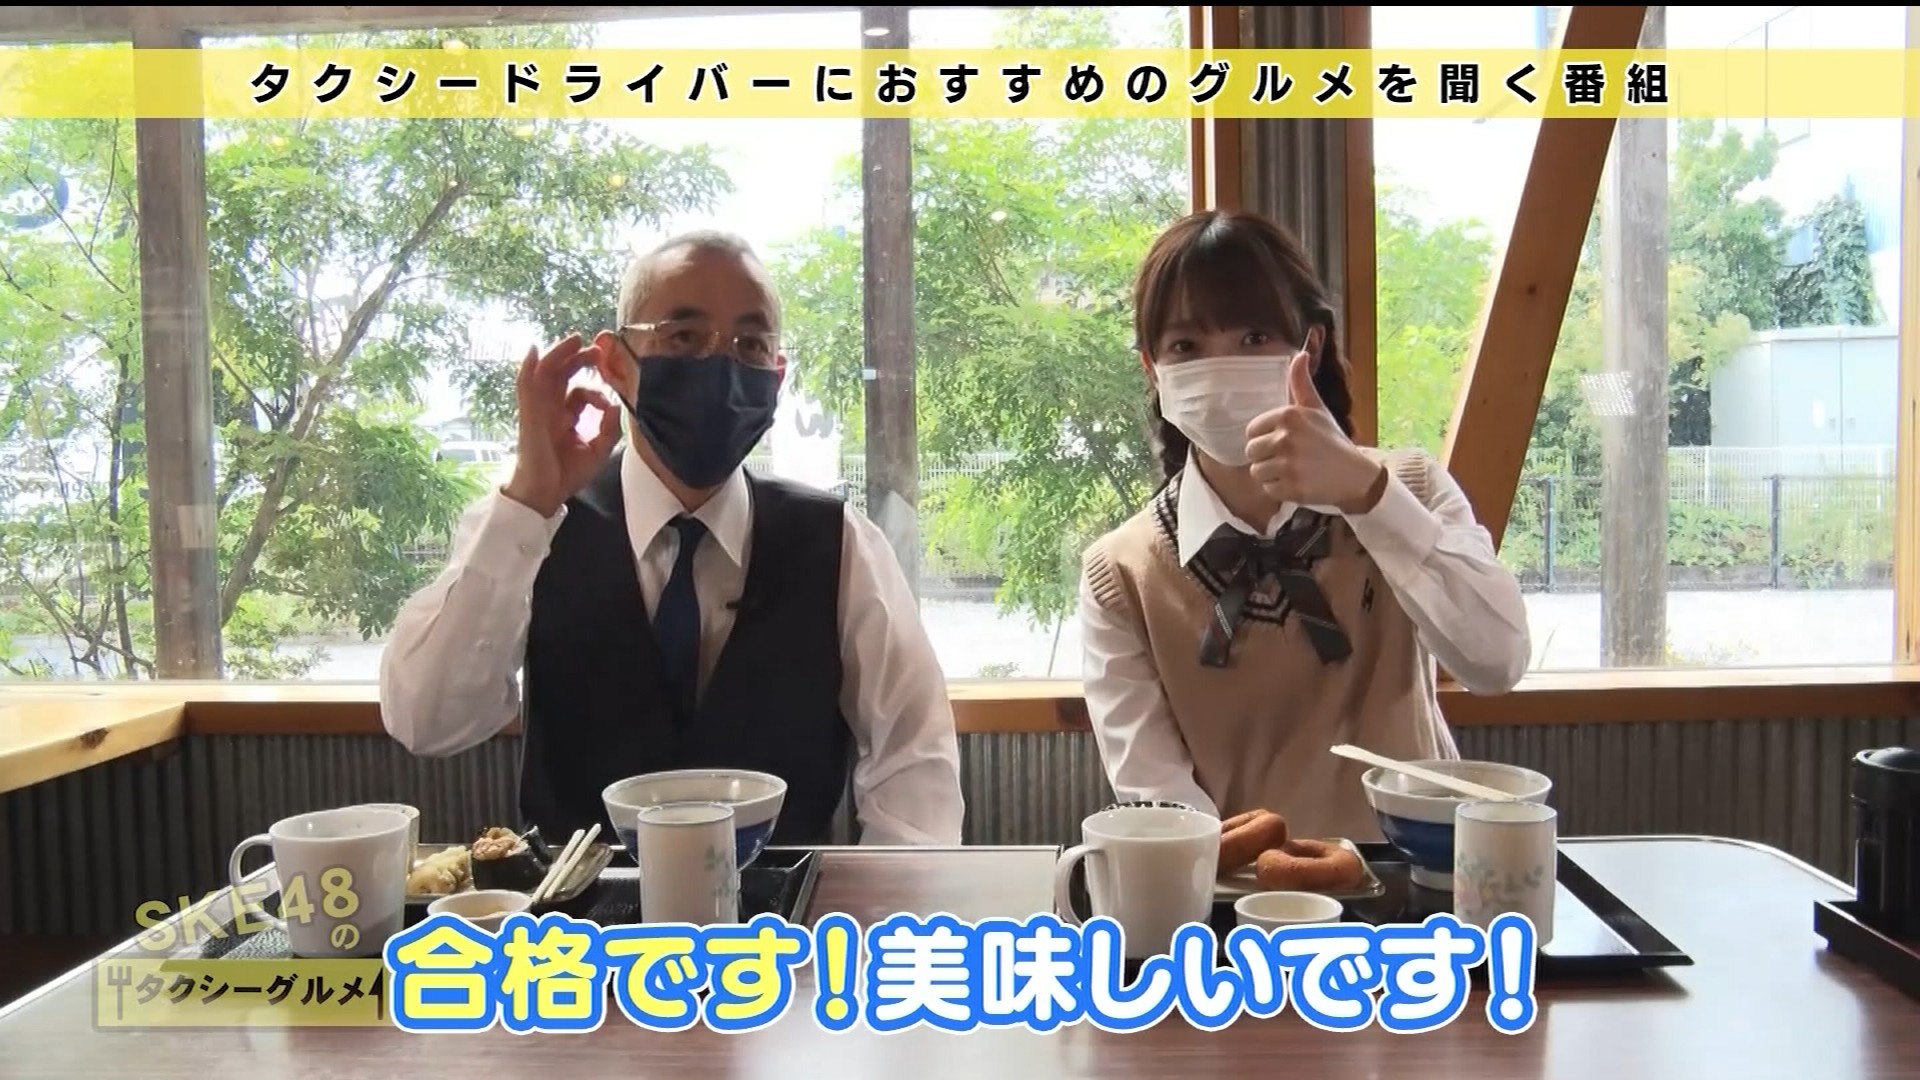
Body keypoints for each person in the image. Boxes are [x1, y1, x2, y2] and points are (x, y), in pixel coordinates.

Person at [380, 230, 966, 848]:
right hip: (579, 907)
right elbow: (427, 722)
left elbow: (913, 761)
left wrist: (880, 898)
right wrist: (526, 504)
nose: (719, 364)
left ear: (776, 376)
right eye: (683, 336)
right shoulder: (530, 529)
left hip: (786, 907)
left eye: (750, 344)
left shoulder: (840, 543)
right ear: (615, 364)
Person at [1078, 210, 1531, 842]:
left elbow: (1497, 661)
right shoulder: (1122, 573)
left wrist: (1369, 497)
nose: (1221, 366)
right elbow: (1160, 799)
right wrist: (1255, 880)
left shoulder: (1413, 486)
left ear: (1308, 347)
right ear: (1153, 369)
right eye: (1186, 347)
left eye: (1254, 336)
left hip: (1422, 879)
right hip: (1241, 889)